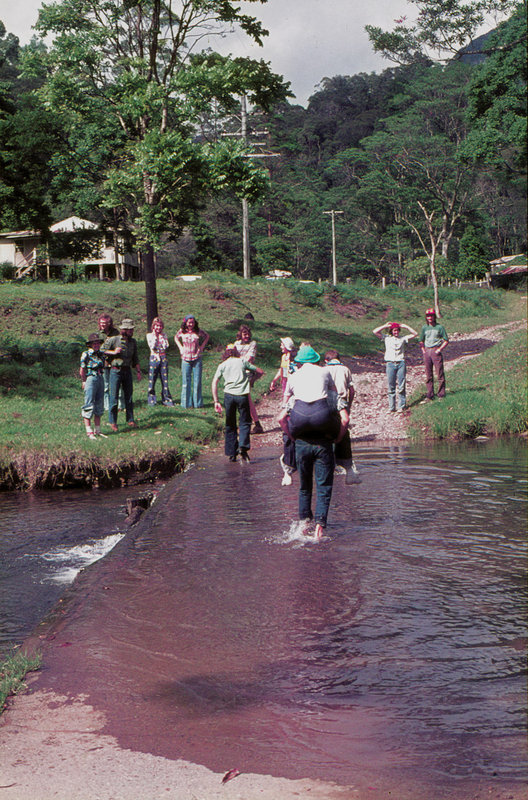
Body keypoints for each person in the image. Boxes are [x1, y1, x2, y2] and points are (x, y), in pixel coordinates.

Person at [278, 345, 348, 540]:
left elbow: (281, 417)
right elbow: (345, 419)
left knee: (304, 486)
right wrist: (339, 438)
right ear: (317, 360)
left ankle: (303, 526)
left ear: (299, 362)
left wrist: (291, 437)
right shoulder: (326, 375)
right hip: (324, 441)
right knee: (324, 486)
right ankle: (320, 527)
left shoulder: (293, 381)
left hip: (301, 441)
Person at [212, 344, 264, 462]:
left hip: (229, 396)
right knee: (245, 422)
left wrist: (216, 401)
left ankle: (232, 453)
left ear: (225, 353)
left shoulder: (222, 365)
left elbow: (214, 382)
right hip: (242, 395)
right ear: (236, 352)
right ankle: (243, 447)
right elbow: (260, 371)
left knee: (230, 424)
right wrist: (251, 381)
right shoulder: (242, 361)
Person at [323, 350, 361, 484]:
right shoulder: (345, 369)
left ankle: (330, 464)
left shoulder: (323, 370)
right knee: (343, 431)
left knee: (327, 433)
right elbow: (352, 390)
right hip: (342, 402)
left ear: (326, 360)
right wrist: (348, 406)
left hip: (326, 403)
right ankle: (346, 465)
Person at [102, 318, 142, 431]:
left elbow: (135, 358)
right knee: (113, 397)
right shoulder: (113, 340)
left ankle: (130, 420)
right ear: (123, 330)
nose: (131, 331)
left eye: (132, 330)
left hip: (127, 371)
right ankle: (113, 422)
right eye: (129, 330)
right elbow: (101, 350)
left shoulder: (133, 342)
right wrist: (113, 352)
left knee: (129, 397)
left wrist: (138, 371)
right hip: (115, 371)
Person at [372, 321, 417, 412]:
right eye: (394, 330)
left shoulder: (403, 338)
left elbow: (415, 334)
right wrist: (385, 325)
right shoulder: (386, 338)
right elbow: (375, 332)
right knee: (391, 386)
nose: (396, 332)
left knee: (401, 386)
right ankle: (392, 407)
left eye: (397, 330)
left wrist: (406, 326)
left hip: (401, 363)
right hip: (390, 364)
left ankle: (401, 406)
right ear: (391, 331)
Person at [174, 314, 209, 408]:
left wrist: (201, 347)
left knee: (197, 381)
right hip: (185, 358)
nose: (191, 324)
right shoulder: (182, 331)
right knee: (186, 381)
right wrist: (180, 348)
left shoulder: (198, 331)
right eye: (189, 322)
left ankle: (197, 404)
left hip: (196, 358)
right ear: (185, 322)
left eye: (192, 322)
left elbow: (206, 336)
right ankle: (186, 404)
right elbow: (176, 338)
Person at [234, 324, 263, 434]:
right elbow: (232, 355)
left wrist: (238, 360)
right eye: (244, 334)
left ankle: (252, 424)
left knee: (246, 398)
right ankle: (254, 423)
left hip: (247, 372)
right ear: (240, 335)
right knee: (245, 399)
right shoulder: (236, 344)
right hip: (237, 372)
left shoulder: (253, 344)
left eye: (248, 334)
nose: (246, 336)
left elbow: (249, 359)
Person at [418, 308, 449, 401]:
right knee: (428, 374)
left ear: (434, 316)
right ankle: (430, 394)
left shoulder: (440, 327)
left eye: (431, 315)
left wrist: (439, 349)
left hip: (436, 350)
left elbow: (446, 340)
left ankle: (441, 394)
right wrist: (423, 350)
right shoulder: (424, 327)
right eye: (428, 316)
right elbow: (420, 340)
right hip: (427, 351)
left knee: (439, 373)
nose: (429, 317)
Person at [79, 333, 105, 439]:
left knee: (99, 402)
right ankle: (88, 430)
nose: (96, 345)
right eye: (94, 343)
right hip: (90, 377)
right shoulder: (86, 354)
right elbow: (82, 369)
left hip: (100, 377)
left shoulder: (101, 354)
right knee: (89, 403)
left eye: (98, 343)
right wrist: (84, 381)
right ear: (90, 344)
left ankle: (97, 430)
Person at [98, 313, 124, 412]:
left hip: (115, 362)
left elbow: (119, 345)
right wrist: (112, 351)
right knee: (106, 385)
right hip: (104, 362)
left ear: (109, 323)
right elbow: (100, 349)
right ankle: (107, 406)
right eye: (101, 323)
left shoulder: (116, 333)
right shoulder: (99, 334)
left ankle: (120, 405)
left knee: (118, 384)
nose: (102, 325)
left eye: (104, 323)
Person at [146, 317, 174, 406]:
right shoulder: (149, 335)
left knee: (164, 379)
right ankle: (151, 399)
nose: (158, 328)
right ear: (153, 326)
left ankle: (166, 399)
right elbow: (152, 346)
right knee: (152, 379)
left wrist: (161, 338)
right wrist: (155, 337)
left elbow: (166, 346)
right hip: (154, 357)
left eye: (160, 326)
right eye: (157, 326)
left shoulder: (164, 335)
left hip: (163, 357)